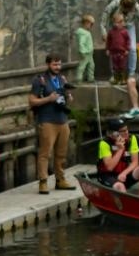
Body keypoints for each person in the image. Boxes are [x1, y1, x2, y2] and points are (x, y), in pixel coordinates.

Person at [28, 54, 75, 193]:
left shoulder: (62, 79)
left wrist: (69, 96)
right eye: (55, 64)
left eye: (59, 64)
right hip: (47, 120)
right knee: (45, 153)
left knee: (61, 153)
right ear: (48, 64)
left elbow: (66, 98)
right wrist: (49, 98)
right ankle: (43, 181)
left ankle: (60, 179)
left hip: (62, 119)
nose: (57, 67)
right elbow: (32, 101)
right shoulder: (40, 80)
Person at [97, 117, 139, 196]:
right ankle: (127, 206)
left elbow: (135, 162)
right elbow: (109, 167)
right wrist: (120, 149)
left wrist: (124, 173)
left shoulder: (131, 139)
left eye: (127, 130)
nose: (126, 133)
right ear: (113, 133)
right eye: (122, 131)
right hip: (108, 176)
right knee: (120, 186)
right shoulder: (104, 144)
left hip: (124, 174)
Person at [106, 13, 131, 85]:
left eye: (122, 21)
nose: (122, 23)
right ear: (114, 23)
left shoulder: (125, 32)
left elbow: (128, 41)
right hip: (114, 52)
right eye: (119, 22)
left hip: (122, 51)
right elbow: (109, 41)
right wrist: (108, 49)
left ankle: (123, 79)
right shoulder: (111, 32)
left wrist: (127, 49)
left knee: (122, 65)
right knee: (115, 66)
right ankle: (116, 79)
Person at [74, 14, 96, 84]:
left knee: (91, 65)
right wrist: (82, 51)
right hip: (85, 52)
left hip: (89, 52)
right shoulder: (82, 33)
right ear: (86, 23)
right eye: (91, 24)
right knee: (82, 66)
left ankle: (90, 78)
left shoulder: (87, 32)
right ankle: (79, 78)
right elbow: (81, 43)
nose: (91, 26)